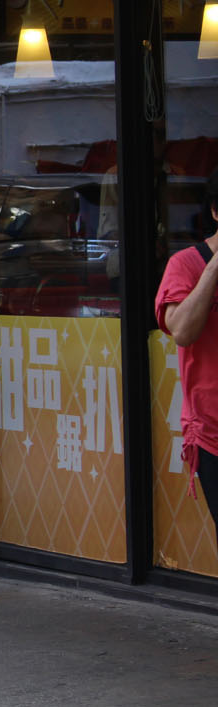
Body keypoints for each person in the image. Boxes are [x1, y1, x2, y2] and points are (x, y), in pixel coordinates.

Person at [156, 170, 218, 542]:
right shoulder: (186, 264)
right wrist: (214, 266)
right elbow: (182, 331)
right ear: (215, 211)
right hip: (213, 429)